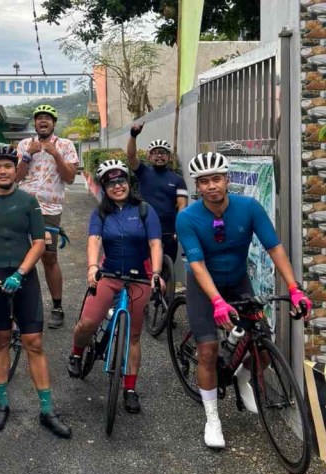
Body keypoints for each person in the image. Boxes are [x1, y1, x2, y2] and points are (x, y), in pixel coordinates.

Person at [176, 151, 312, 450]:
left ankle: (243, 377)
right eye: (204, 181)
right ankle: (212, 418)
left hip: (238, 280)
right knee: (209, 350)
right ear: (197, 187)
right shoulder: (187, 217)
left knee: (262, 345)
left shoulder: (249, 207)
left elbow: (274, 248)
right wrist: (217, 302)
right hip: (203, 285)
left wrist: (294, 288)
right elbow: (196, 264)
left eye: (217, 179)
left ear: (228, 179)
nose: (212, 186)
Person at [0, 143, 72, 438]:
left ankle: (47, 410)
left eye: (8, 166)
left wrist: (21, 273)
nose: (3, 171)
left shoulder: (28, 201)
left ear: (15, 170)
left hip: (25, 277)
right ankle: (1, 404)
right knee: (0, 339)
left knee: (34, 342)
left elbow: (38, 242)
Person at [67, 159, 163, 414]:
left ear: (128, 183)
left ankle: (130, 389)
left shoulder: (144, 210)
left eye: (121, 181)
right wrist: (91, 267)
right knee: (87, 323)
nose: (117, 186)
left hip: (139, 279)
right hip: (108, 274)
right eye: (111, 183)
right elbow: (94, 240)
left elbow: (155, 244)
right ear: (104, 188)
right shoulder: (101, 213)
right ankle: (77, 353)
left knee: (133, 336)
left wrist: (156, 273)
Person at [15, 104, 79, 328]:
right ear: (35, 123)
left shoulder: (66, 145)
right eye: (39, 118)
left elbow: (70, 178)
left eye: (47, 118)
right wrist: (27, 156)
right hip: (22, 207)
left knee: (49, 257)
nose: (43, 121)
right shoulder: (24, 144)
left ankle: (57, 306)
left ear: (54, 123)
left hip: (50, 210)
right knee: (20, 256)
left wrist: (56, 155)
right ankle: (21, 304)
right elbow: (16, 178)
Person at [126, 125, 188, 264]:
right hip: (144, 226)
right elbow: (130, 157)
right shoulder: (143, 172)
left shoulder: (177, 180)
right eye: (155, 153)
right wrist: (133, 135)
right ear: (149, 156)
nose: (159, 156)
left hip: (168, 230)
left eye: (163, 153)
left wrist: (179, 228)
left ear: (169, 157)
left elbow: (182, 206)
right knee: (144, 264)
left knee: (168, 264)